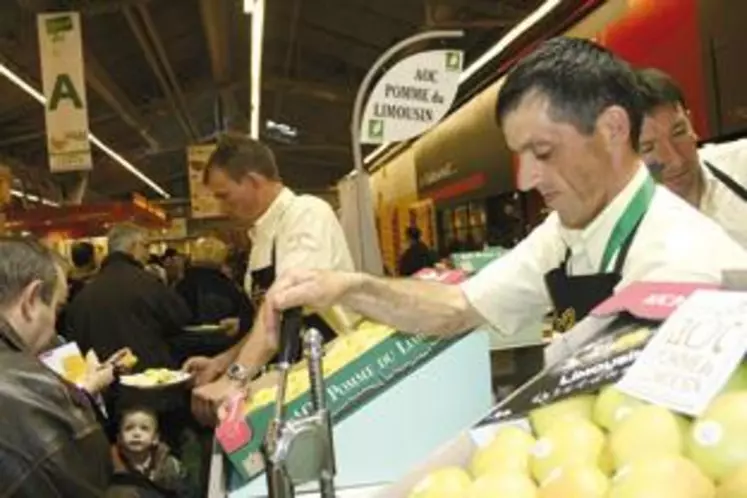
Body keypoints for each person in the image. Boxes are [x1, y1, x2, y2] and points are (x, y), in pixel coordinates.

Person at [261, 37, 747, 345]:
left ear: (613, 129)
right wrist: (350, 286)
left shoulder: (684, 265)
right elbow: (457, 307)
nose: (524, 180)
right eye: (521, 155)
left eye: (543, 151)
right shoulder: (566, 231)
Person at [184, 133, 355, 425]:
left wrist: (234, 378)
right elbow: (264, 322)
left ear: (252, 181)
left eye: (224, 195)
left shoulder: (306, 213)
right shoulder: (261, 235)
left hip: (335, 379)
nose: (222, 208)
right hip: (293, 382)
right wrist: (221, 363)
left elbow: (282, 305)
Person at [0, 237, 125, 496]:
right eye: (57, 308)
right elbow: (87, 482)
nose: (53, 331)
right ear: (31, 300)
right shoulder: (31, 390)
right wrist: (82, 396)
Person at [636, 67, 747, 248]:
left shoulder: (741, 163)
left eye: (679, 132)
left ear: (691, 123)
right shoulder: (626, 233)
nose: (676, 160)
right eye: (648, 147)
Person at [109, 407, 190, 498]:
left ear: (155, 438)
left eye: (144, 428)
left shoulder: (169, 466)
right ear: (119, 438)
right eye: (129, 428)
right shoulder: (110, 465)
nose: (136, 434)